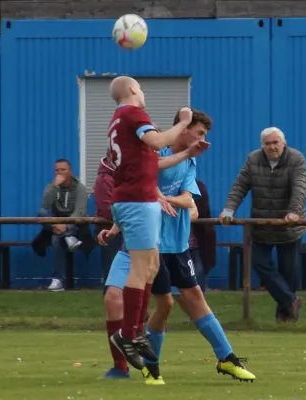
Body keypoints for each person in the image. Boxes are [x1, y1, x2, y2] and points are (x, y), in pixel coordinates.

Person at [100, 109, 256, 385]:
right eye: (199, 133)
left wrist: (168, 199)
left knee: (188, 298)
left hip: (178, 245)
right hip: (153, 246)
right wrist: (154, 196)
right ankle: (147, 364)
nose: (202, 139)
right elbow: (142, 183)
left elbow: (190, 202)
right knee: (163, 304)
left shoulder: (189, 163)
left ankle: (225, 358)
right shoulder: (154, 153)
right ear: (183, 130)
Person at [100, 76, 195, 371]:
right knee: (141, 268)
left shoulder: (120, 120)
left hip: (140, 200)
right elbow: (158, 141)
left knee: (151, 266)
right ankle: (128, 336)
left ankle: (135, 333)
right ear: (131, 90)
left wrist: (186, 153)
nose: (143, 93)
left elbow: (150, 162)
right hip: (137, 201)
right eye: (140, 88)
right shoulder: (132, 112)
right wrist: (183, 122)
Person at [219, 127, 306, 322]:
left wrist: (294, 211)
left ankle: (285, 318)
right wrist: (229, 210)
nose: (272, 147)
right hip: (262, 225)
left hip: (289, 227)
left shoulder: (296, 158)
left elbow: (300, 187)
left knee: (288, 273)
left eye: (275, 142)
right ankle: (291, 300)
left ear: (283, 143)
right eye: (267, 143)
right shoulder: (253, 159)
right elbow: (240, 186)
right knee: (259, 264)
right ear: (262, 146)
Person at [31, 158, 91, 292]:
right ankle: (68, 237)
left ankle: (57, 279)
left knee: (55, 239)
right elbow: (45, 206)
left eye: (63, 170)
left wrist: (66, 225)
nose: (60, 173)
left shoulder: (79, 188)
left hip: (73, 225)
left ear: (70, 171)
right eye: (57, 170)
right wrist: (54, 187)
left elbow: (80, 211)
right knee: (41, 213)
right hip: (54, 223)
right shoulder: (51, 186)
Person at [93, 149, 122, 285]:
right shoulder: (105, 179)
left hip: (119, 228)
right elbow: (106, 210)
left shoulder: (115, 176)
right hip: (109, 230)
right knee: (113, 271)